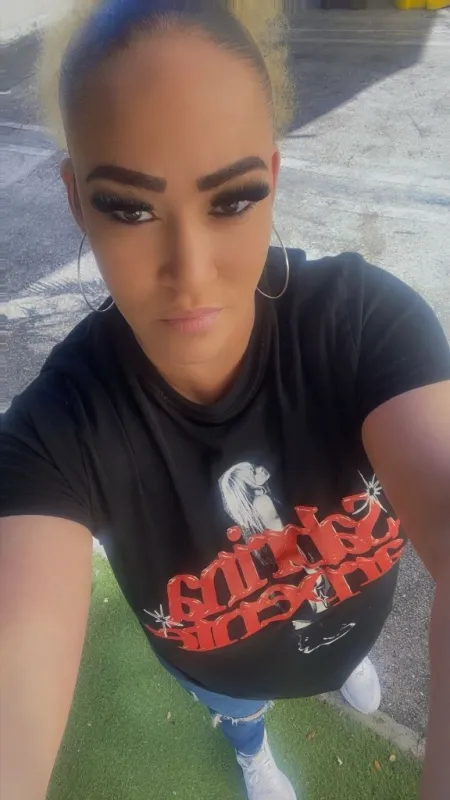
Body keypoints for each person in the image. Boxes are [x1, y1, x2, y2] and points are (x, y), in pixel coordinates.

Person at [1, 2, 449, 799]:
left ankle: (342, 662)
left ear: (271, 182)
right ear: (74, 200)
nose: (191, 268)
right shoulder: (56, 433)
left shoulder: (365, 325)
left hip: (352, 619)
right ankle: (251, 751)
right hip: (223, 674)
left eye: (232, 198)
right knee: (239, 711)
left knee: (339, 637)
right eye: (128, 207)